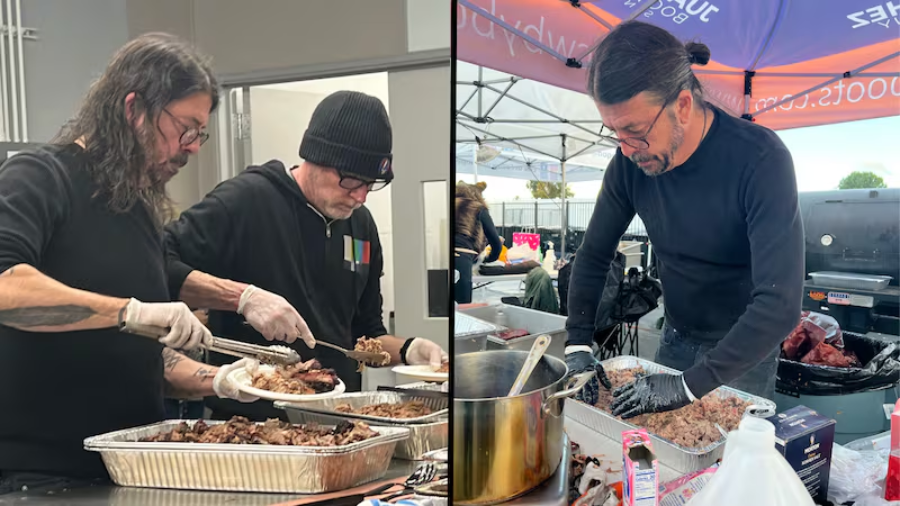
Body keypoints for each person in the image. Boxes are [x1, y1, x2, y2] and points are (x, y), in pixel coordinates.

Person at [0, 33, 258, 493]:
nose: (193, 146)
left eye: (200, 133)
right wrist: (130, 311)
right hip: (40, 478)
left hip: (130, 471)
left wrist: (218, 380)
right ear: (133, 108)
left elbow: (136, 359)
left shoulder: (135, 206)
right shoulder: (39, 179)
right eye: (185, 127)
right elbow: (6, 288)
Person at [565, 21, 803, 418]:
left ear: (684, 106)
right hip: (675, 335)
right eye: (614, 133)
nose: (625, 150)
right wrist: (577, 346)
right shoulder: (628, 164)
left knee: (727, 467)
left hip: (743, 352)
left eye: (635, 131)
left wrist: (690, 385)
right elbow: (592, 257)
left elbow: (780, 304)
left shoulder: (760, 160)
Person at [164, 90, 448, 422]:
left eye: (370, 184)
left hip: (340, 423)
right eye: (351, 180)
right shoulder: (245, 201)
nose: (360, 197)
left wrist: (409, 350)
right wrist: (242, 298)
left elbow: (363, 334)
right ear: (314, 156)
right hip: (250, 427)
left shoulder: (360, 226)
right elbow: (156, 264)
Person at [454, 181, 502, 303]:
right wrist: (488, 259)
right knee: (462, 310)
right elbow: (495, 242)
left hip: (439, 258)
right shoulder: (478, 208)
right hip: (463, 257)